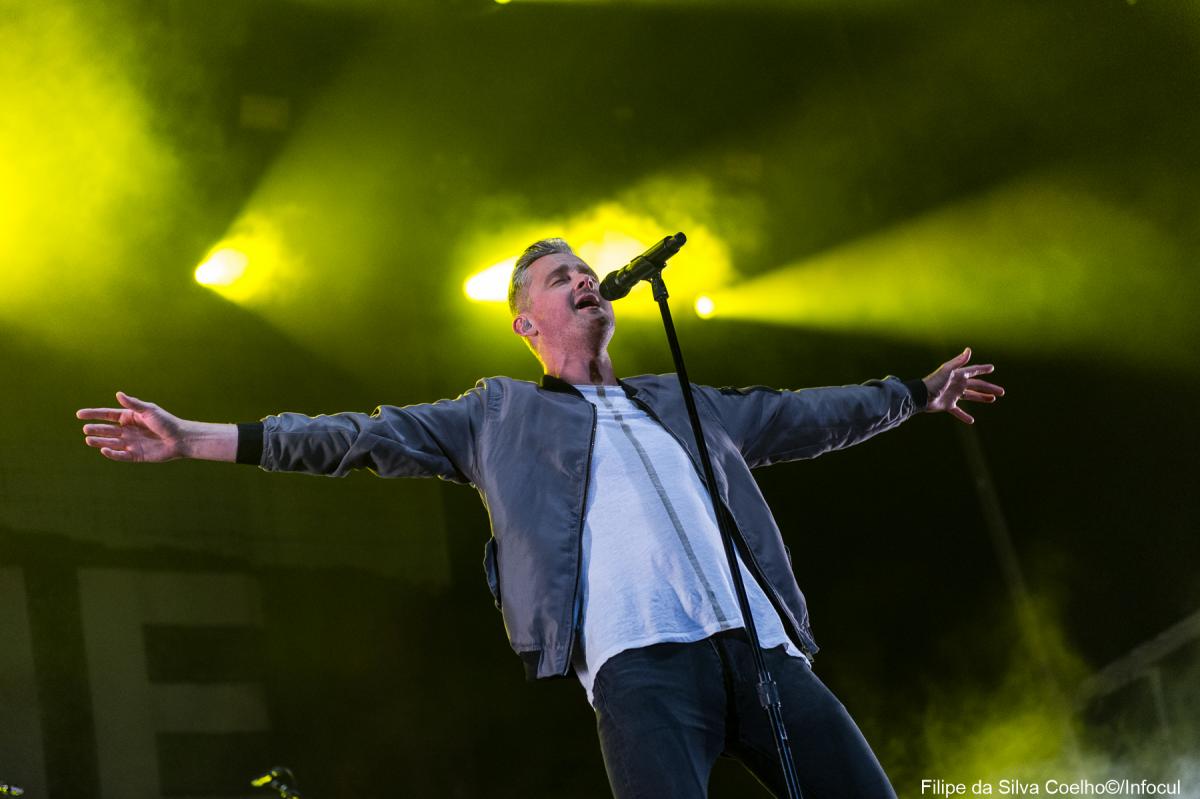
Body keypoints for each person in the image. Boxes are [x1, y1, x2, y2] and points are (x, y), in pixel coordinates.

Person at [77, 238, 1004, 798]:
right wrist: (198, 438)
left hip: (764, 653)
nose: (586, 279)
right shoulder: (496, 415)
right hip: (642, 670)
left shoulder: (683, 401)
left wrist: (912, 393)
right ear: (527, 323)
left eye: (587, 270)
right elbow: (353, 437)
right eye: (563, 277)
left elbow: (807, 414)